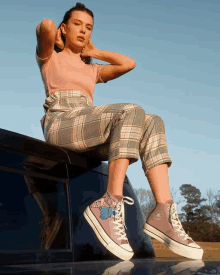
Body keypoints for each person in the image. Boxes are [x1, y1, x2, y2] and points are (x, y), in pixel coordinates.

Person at [35, 2, 203, 260]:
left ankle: (163, 212)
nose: (83, 31)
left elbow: (128, 63)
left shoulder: (92, 69)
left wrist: (95, 51)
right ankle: (109, 203)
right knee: (131, 110)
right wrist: (57, 36)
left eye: (89, 27)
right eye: (77, 24)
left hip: (87, 126)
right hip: (62, 122)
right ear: (64, 28)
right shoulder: (50, 58)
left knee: (152, 121)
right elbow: (45, 25)